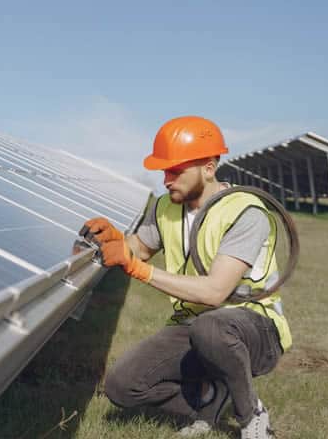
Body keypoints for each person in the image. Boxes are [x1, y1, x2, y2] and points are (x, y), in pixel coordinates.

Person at [79, 116, 291, 439]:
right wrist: (116, 240)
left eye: (175, 170)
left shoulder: (246, 212)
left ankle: (252, 419)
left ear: (208, 167)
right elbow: (138, 249)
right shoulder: (165, 207)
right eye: (164, 171)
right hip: (194, 325)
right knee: (122, 386)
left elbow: (215, 292)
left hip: (254, 329)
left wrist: (139, 270)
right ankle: (210, 398)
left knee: (212, 327)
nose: (166, 179)